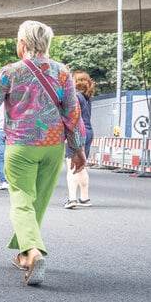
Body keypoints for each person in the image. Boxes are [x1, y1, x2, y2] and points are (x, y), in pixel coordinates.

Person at [0, 20, 86, 286]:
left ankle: (33, 252)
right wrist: (77, 148)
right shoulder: (63, 72)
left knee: (21, 200)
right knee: (38, 202)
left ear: (22, 44)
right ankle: (23, 255)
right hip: (53, 147)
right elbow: (72, 113)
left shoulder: (11, 72)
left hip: (20, 146)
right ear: (47, 44)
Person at [64, 70, 95, 209]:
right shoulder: (87, 98)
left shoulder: (75, 97)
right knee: (82, 166)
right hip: (88, 131)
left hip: (77, 132)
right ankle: (85, 197)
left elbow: (72, 116)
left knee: (72, 166)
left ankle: (72, 198)